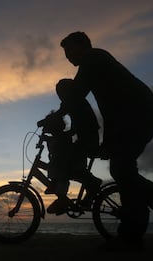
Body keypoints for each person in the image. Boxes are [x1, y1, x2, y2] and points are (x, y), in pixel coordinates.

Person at [59, 31, 153, 249]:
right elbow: (112, 109)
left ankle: (133, 235)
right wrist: (107, 144)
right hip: (136, 117)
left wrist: (56, 115)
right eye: (65, 53)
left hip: (141, 114)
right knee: (124, 172)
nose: (67, 57)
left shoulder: (93, 58)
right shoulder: (95, 63)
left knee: (122, 170)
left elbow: (76, 93)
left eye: (69, 50)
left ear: (82, 46)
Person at [41, 80, 102, 215]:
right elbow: (73, 129)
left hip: (88, 139)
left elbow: (63, 112)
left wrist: (46, 122)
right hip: (86, 138)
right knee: (65, 162)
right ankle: (64, 191)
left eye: (60, 93)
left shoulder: (73, 100)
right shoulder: (75, 102)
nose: (60, 96)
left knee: (66, 164)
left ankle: (90, 184)